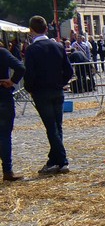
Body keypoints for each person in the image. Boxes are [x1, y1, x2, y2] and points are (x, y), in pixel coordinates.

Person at [23, 15, 73, 175]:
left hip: (41, 92)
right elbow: (69, 70)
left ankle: (62, 161)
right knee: (57, 126)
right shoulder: (58, 46)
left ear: (31, 31)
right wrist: (61, 82)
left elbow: (29, 74)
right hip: (57, 90)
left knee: (51, 127)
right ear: (46, 28)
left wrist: (29, 88)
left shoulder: (31, 50)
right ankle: (54, 160)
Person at [0, 41, 25, 181]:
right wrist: (12, 81)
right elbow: (21, 67)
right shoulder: (2, 52)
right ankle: (7, 171)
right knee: (4, 135)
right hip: (2, 95)